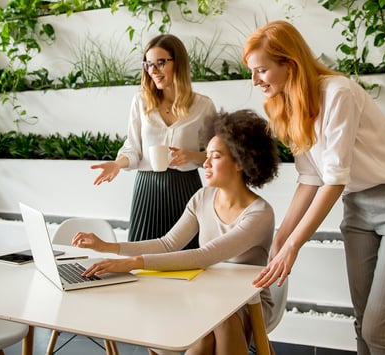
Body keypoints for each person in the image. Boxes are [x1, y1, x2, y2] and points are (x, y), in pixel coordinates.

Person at [244, 20, 385, 355]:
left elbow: (334, 179)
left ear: (289, 63)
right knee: (363, 327)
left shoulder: (338, 92)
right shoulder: (289, 106)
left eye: (261, 70)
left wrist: (294, 246)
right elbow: (310, 179)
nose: (255, 81)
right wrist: (281, 237)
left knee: (380, 332)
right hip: (357, 208)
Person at [74, 109, 280, 355]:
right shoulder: (202, 197)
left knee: (222, 318)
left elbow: (205, 255)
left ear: (240, 162)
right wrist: (109, 247)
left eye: (214, 157)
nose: (205, 163)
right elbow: (168, 243)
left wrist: (132, 262)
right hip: (207, 294)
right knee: (202, 336)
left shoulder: (259, 213)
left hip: (249, 303)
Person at [91, 34, 216, 248]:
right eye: (148, 65)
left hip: (186, 189)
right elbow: (133, 149)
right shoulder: (140, 101)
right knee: (141, 260)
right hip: (148, 190)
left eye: (160, 63)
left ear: (179, 63)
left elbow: (217, 154)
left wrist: (191, 156)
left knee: (188, 259)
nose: (153, 71)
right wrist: (116, 164)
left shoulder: (203, 106)